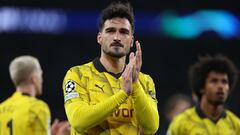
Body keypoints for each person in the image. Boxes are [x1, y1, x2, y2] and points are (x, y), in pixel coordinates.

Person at [62, 1, 159, 135]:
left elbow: (151, 127)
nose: (117, 37)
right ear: (99, 38)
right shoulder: (77, 74)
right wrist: (122, 94)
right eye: (110, 30)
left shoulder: (145, 81)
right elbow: (78, 121)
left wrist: (135, 84)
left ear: (131, 40)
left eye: (124, 32)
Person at [167, 55, 240, 135]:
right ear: (201, 87)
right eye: (214, 81)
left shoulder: (236, 125)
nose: (220, 86)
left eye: (224, 82)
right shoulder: (181, 123)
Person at [0, 55, 70, 135]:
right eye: (40, 75)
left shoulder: (2, 108)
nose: (42, 80)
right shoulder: (37, 108)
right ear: (34, 78)